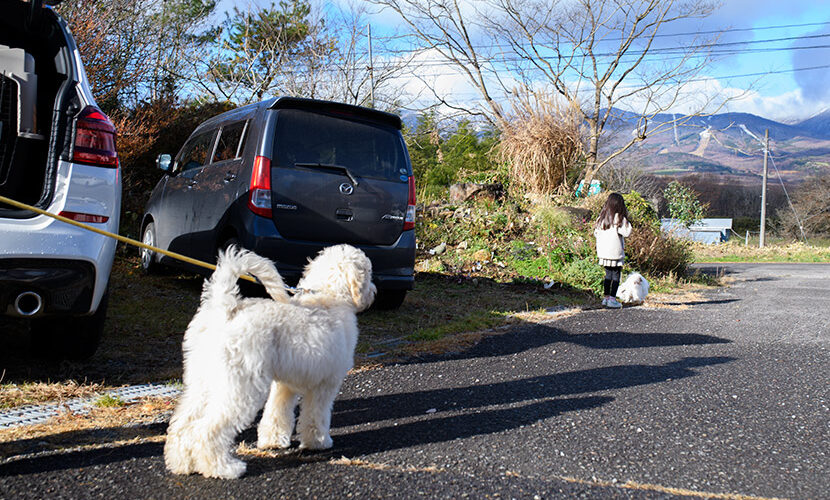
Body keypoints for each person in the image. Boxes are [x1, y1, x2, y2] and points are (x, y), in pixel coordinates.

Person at [594, 193, 632, 309]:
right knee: (616, 276)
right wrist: (627, 221)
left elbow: (596, 233)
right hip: (615, 253)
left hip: (604, 253)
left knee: (608, 275)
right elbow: (627, 232)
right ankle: (612, 299)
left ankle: (605, 298)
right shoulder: (619, 218)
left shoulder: (601, 218)